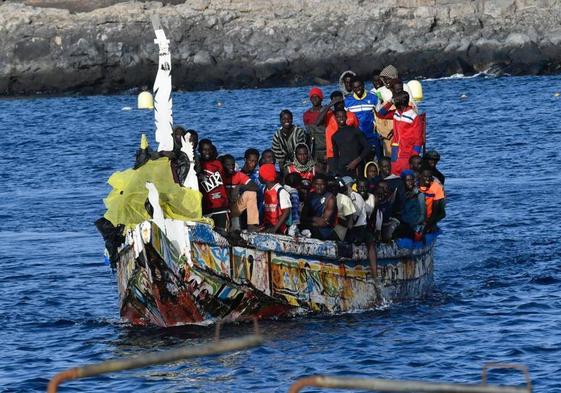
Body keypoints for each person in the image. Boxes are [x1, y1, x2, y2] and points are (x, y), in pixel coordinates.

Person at [378, 91, 423, 176]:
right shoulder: (396, 112)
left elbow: (418, 140)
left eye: (395, 99)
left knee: (406, 176)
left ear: (401, 102)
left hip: (407, 152)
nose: (394, 101)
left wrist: (413, 158)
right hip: (396, 150)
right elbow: (380, 114)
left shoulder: (413, 116)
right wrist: (390, 102)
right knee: (394, 174)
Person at [220, 154, 260, 232]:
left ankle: (252, 225)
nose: (231, 167)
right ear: (222, 165)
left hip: (235, 208)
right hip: (222, 209)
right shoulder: (220, 176)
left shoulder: (238, 175)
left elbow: (255, 187)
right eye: (228, 165)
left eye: (233, 164)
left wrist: (239, 187)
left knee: (251, 193)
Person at [344, 76, 381, 159]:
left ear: (363, 85)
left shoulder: (373, 98)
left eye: (360, 86)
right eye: (355, 87)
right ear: (352, 88)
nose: (358, 89)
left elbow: (380, 116)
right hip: (356, 139)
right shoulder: (347, 102)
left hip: (372, 136)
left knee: (376, 161)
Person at [197, 139, 230, 230]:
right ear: (199, 151)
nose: (207, 152)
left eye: (209, 150)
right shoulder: (198, 165)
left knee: (223, 233)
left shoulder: (218, 164)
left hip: (221, 207)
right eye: (204, 150)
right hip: (206, 208)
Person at [324, 91, 359, 170]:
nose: (339, 104)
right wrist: (330, 105)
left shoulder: (351, 115)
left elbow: (356, 132)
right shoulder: (328, 115)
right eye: (336, 103)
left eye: (340, 101)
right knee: (335, 177)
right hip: (332, 154)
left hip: (348, 153)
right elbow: (317, 122)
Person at [331, 108, 371, 177]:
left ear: (346, 117)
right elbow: (336, 156)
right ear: (335, 118)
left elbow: (367, 147)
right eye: (338, 117)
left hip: (357, 167)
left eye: (343, 116)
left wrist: (356, 162)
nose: (341, 118)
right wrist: (336, 170)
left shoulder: (355, 131)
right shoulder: (334, 136)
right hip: (343, 168)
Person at [301, 174, 338, 240]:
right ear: (313, 185)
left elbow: (324, 223)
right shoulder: (310, 196)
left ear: (326, 185)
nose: (319, 187)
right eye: (317, 184)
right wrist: (314, 219)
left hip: (325, 233)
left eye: (322, 184)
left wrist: (306, 221)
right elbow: (303, 217)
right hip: (310, 229)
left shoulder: (330, 199)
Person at [259, 163, 292, 234]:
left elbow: (286, 212)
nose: (258, 176)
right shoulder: (265, 189)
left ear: (264, 177)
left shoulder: (281, 192)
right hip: (268, 224)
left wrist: (274, 229)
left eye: (260, 174)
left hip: (279, 226)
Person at [394, 170, 425, 240]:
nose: (410, 182)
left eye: (412, 180)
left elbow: (422, 215)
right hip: (403, 223)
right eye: (407, 180)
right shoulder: (400, 195)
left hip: (415, 225)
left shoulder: (419, 195)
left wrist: (415, 225)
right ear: (403, 182)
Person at [329, 177, 356, 242]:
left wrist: (335, 218)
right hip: (324, 229)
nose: (332, 188)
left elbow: (349, 225)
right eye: (330, 186)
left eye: (334, 186)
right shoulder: (324, 196)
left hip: (338, 234)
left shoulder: (345, 199)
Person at [419, 167, 446, 233]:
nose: (427, 179)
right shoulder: (415, 186)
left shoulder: (436, 187)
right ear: (420, 176)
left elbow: (435, 209)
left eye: (429, 177)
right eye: (425, 177)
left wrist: (429, 225)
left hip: (430, 214)